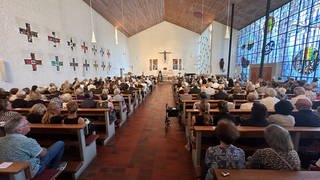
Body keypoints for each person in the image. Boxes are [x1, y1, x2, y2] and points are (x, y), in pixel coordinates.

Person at [0, 113, 65, 178]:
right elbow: (43, 154)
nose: (30, 125)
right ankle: (53, 169)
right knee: (60, 143)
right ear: (19, 130)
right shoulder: (27, 141)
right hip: (29, 172)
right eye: (27, 124)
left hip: (7, 172)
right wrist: (42, 149)